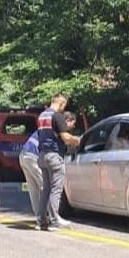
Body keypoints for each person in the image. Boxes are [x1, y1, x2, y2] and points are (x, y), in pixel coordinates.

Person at [36, 94, 80, 231]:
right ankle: (54, 221)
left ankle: (41, 221)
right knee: (56, 189)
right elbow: (66, 137)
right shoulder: (57, 116)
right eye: (64, 106)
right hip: (54, 156)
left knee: (46, 190)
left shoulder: (42, 116)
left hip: (42, 155)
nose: (63, 109)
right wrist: (76, 140)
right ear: (61, 103)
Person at [20, 111, 76, 218]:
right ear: (67, 120)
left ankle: (40, 218)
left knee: (34, 189)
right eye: (73, 123)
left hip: (24, 154)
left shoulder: (48, 127)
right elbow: (67, 139)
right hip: (34, 156)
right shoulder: (57, 127)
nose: (73, 126)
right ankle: (51, 217)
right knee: (47, 187)